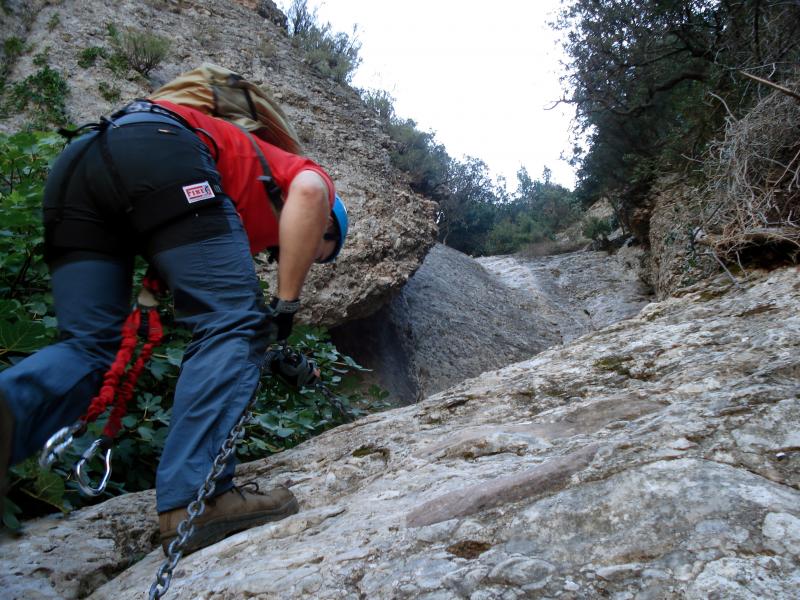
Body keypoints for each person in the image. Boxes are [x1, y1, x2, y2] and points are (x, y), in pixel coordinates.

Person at [0, 97, 348, 555]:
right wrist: (284, 306)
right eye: (310, 250)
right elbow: (310, 194)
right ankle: (197, 499)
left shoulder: (228, 205)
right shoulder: (301, 177)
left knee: (89, 350)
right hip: (157, 148)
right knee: (236, 320)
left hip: (81, 164)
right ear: (325, 225)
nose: (285, 255)